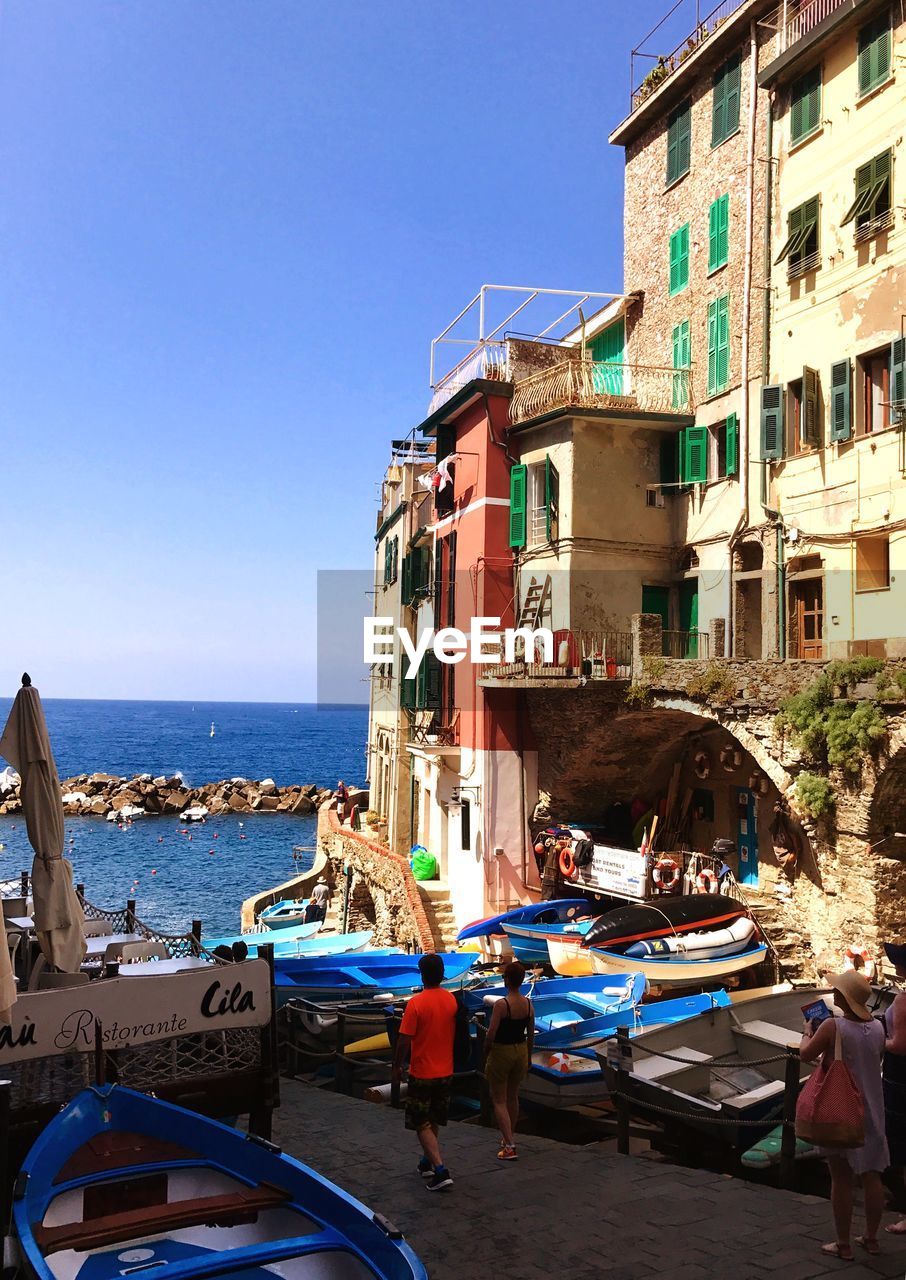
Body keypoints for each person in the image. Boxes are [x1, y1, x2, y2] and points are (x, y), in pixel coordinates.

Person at [800, 970, 888, 1261]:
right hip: (872, 1108)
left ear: (843, 998)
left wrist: (806, 1032)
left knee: (841, 1178)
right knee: (872, 1175)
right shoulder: (877, 1027)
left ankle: (843, 1243)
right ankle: (872, 1239)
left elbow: (806, 1054)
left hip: (841, 1108)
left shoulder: (831, 1026)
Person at [392, 953, 457, 1191]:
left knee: (421, 1122)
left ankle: (440, 1169)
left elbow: (404, 1040)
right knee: (433, 1118)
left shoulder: (416, 1004)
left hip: (423, 1071)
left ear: (422, 975)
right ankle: (426, 1161)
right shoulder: (451, 1000)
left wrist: (397, 1065)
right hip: (446, 1069)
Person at [483, 960, 534, 1160]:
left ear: (506, 980)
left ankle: (510, 1146)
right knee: (513, 1096)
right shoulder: (529, 1004)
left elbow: (491, 1034)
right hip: (520, 1050)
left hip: (502, 1052)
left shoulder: (501, 1005)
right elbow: (531, 1034)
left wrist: (485, 1052)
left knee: (499, 1099)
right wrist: (528, 1056)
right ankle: (508, 1137)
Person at [881, 941, 906, 1228]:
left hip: (899, 1076)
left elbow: (899, 1045)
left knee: (898, 1143)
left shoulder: (902, 1000)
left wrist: (878, 1039)